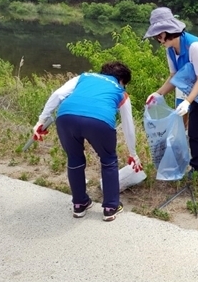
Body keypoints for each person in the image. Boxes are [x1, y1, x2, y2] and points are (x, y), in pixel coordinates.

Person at [33, 61, 142, 221]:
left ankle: (79, 204)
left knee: (74, 158)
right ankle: (111, 207)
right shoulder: (120, 91)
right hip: (99, 121)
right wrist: (133, 153)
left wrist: (41, 121)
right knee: (109, 160)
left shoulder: (84, 77)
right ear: (121, 81)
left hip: (66, 117)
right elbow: (128, 126)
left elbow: (57, 95)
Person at [143, 7, 198, 195]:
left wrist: (187, 101)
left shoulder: (194, 47)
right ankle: (197, 167)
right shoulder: (170, 50)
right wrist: (158, 94)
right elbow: (174, 76)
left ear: (165, 33)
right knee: (194, 133)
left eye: (158, 36)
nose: (157, 40)